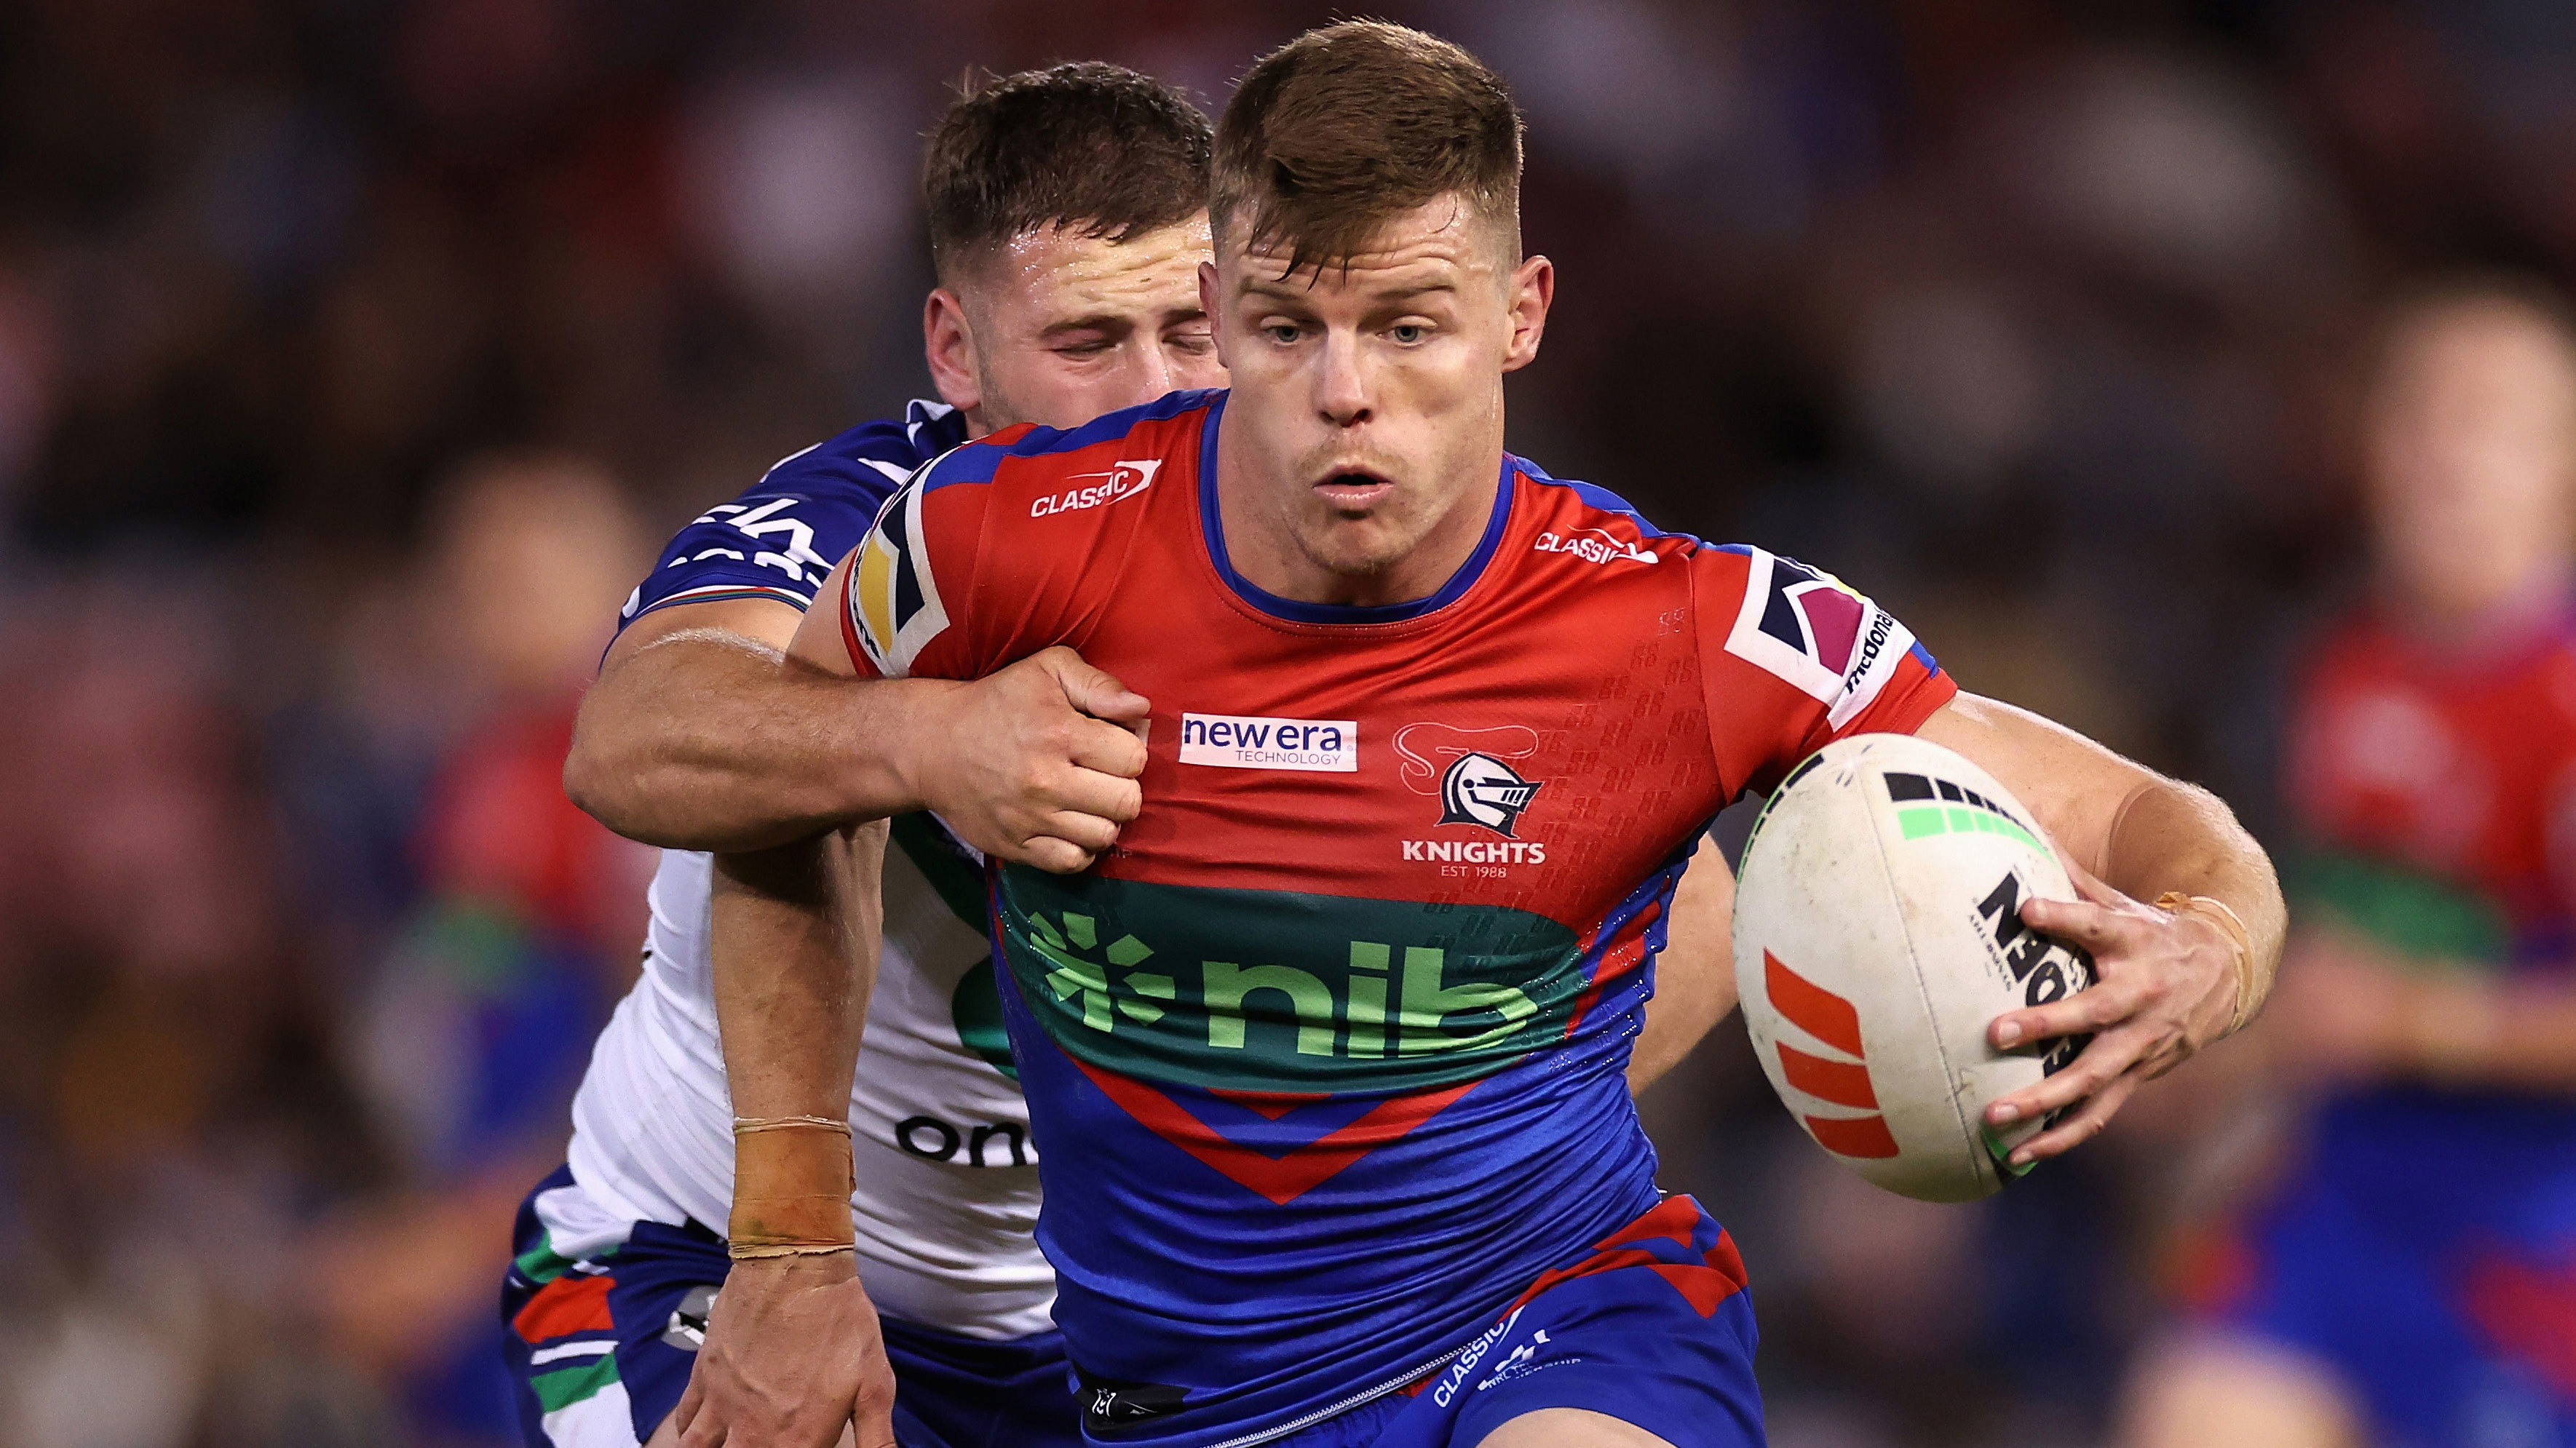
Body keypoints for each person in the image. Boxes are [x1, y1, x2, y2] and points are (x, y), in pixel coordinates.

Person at [700, 21, 2285, 1448]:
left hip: (1552, 1324)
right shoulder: (998, 544)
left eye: (1409, 326)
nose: (1345, 394)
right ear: (1219, 309)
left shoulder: (1686, 627)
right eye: (1284, 328)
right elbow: (774, 782)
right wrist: (786, 1235)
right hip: (1174, 1407)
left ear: (1521, 312)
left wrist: (2209, 942)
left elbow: (2143, 818)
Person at [501, 64, 1229, 1448]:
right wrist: (938, 732)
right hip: (712, 1264)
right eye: (1086, 343)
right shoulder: (852, 521)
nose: (1159, 398)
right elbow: (635, 738)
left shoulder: (1334, 541)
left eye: (1193, 332)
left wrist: (1400, 1170)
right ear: (957, 352)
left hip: (1136, 1334)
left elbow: (1675, 908)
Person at [2123, 282, 2576, 1448]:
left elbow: (2385, 1000)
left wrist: (2422, 1021)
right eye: (2422, 417)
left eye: (2492, 424)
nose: (2446, 458)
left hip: (2528, 1245)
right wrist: (2199, 1062)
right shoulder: (2341, 667)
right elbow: (2334, 961)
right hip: (2340, 1214)